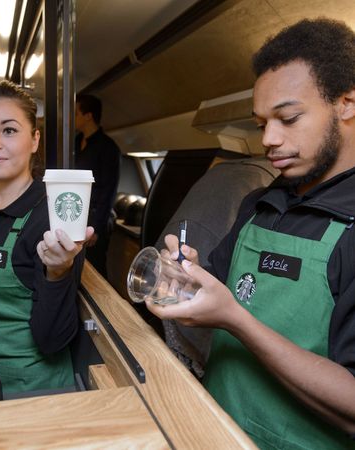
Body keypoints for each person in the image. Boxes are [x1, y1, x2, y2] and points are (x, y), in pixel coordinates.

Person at [146, 18, 355, 449]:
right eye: (261, 123)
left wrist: (236, 320)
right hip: (213, 428)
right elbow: (218, 292)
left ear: (347, 103)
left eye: (288, 118)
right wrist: (187, 277)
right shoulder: (263, 202)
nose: (269, 140)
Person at [0, 79, 94, 395]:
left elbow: (53, 340)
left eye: (9, 130)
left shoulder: (49, 220)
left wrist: (57, 273)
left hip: (28, 395)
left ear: (34, 140)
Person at [74, 94, 120, 277]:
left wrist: (96, 228)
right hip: (77, 213)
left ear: (88, 116)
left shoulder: (108, 148)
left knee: (96, 269)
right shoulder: (76, 142)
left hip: (96, 218)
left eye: (76, 113)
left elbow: (109, 191)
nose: (73, 118)